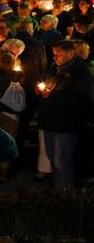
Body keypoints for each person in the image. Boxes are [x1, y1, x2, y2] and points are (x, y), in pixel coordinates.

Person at [35, 40, 94, 186]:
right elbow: (46, 82)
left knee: (62, 160)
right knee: (52, 157)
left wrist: (52, 96)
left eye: (58, 54)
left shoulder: (82, 72)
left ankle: (64, 196)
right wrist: (40, 90)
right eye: (54, 53)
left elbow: (83, 98)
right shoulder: (55, 67)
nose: (55, 57)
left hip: (66, 122)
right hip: (50, 119)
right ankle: (59, 191)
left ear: (71, 53)